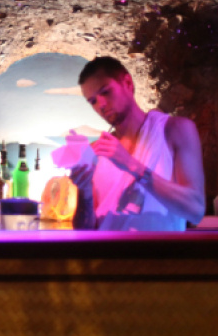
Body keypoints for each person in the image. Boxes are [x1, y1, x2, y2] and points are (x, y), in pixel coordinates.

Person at [70, 57, 205, 230]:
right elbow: (85, 231)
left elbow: (196, 211)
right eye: (93, 101)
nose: (100, 105)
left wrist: (132, 165)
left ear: (127, 83)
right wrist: (84, 193)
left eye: (105, 92)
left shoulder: (174, 130)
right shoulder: (96, 151)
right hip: (107, 248)